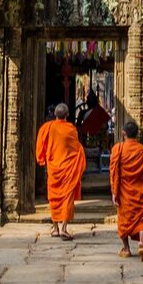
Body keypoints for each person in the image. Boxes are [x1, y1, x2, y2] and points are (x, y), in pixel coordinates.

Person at [110, 120, 143, 261]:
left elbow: (115, 173)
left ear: (123, 133)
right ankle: (142, 242)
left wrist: (114, 192)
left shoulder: (118, 149)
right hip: (141, 191)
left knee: (124, 221)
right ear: (137, 134)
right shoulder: (142, 150)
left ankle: (126, 249)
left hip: (124, 192)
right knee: (142, 217)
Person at [35, 102, 85, 240]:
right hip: (67, 169)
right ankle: (63, 227)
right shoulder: (71, 129)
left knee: (54, 198)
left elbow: (40, 146)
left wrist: (41, 159)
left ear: (55, 115)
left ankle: (55, 228)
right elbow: (77, 149)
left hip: (53, 169)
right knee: (67, 198)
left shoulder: (46, 128)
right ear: (67, 115)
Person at [79, 92, 111, 170]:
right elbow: (78, 126)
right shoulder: (83, 113)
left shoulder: (99, 111)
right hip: (87, 139)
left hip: (98, 141)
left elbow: (106, 126)